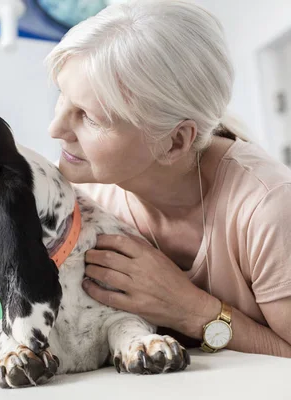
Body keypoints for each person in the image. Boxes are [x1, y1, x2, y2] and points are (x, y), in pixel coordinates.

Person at [45, 0, 291, 357]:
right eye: (62, 98)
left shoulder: (269, 208)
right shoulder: (78, 195)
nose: (56, 129)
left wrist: (191, 310)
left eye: (90, 117)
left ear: (175, 141)